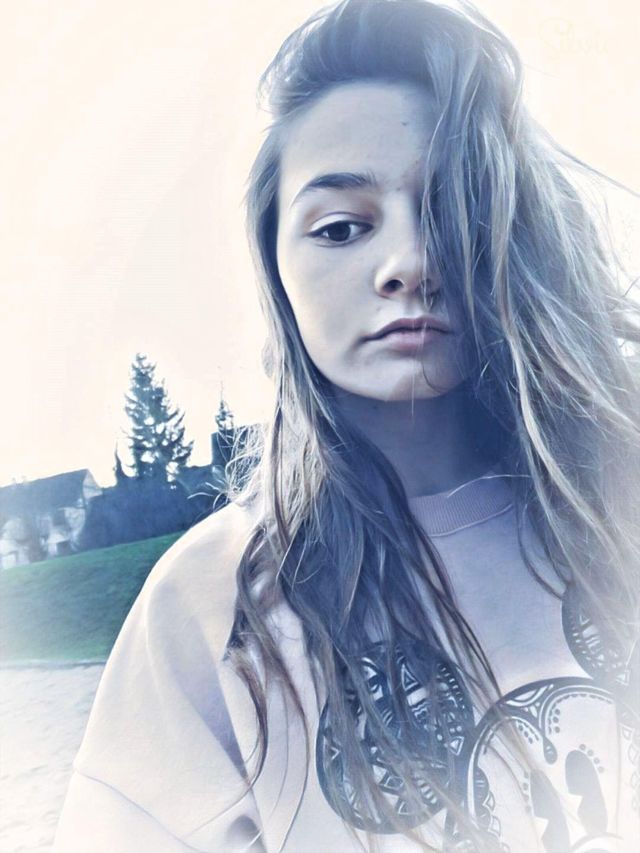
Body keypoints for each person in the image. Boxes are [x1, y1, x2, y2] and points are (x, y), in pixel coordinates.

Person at [54, 1, 640, 850]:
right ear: (276, 268)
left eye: (454, 209)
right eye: (340, 228)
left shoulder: (618, 506)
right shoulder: (211, 606)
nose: (411, 263)